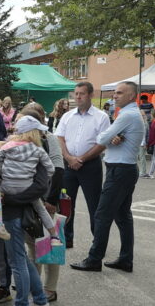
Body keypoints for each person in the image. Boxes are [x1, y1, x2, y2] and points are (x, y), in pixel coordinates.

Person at [70, 81, 144, 273]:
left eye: (120, 93)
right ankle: (126, 259)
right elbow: (108, 137)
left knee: (102, 215)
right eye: (115, 92)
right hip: (124, 169)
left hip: (120, 171)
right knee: (123, 216)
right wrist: (113, 136)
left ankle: (94, 259)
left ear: (131, 96)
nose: (114, 95)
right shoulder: (130, 114)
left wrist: (109, 135)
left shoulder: (127, 115)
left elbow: (101, 138)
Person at [55, 82, 110, 249]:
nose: (78, 97)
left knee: (95, 205)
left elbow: (103, 143)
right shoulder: (67, 116)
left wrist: (82, 159)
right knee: (65, 204)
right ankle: (67, 238)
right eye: (76, 94)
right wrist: (68, 157)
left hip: (90, 166)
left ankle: (98, 243)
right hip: (68, 165)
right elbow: (60, 138)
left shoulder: (101, 117)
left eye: (82, 94)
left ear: (91, 95)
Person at [0, 116, 61, 245]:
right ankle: (54, 236)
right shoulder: (38, 150)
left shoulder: (7, 146)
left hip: (6, 187)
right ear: (33, 133)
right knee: (41, 209)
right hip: (27, 187)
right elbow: (51, 169)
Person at [21, 105, 64, 302]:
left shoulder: (49, 139)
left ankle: (50, 287)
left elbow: (58, 169)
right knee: (32, 245)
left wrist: (52, 201)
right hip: (29, 199)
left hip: (47, 200)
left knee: (49, 245)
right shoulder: (23, 139)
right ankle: (34, 283)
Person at [137, 110, 149, 176]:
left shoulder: (145, 124)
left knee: (142, 158)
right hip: (137, 143)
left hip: (142, 143)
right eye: (141, 115)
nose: (142, 116)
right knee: (138, 157)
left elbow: (146, 135)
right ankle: (140, 171)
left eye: (143, 115)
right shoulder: (138, 123)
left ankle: (143, 172)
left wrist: (146, 143)